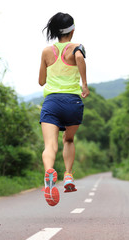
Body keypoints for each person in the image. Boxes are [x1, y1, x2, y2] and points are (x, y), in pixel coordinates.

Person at [38, 12, 89, 206]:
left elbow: (41, 81)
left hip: (51, 102)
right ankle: (68, 174)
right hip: (72, 103)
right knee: (68, 139)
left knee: (50, 145)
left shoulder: (46, 52)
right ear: (72, 30)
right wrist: (84, 84)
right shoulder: (77, 47)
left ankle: (49, 172)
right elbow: (79, 58)